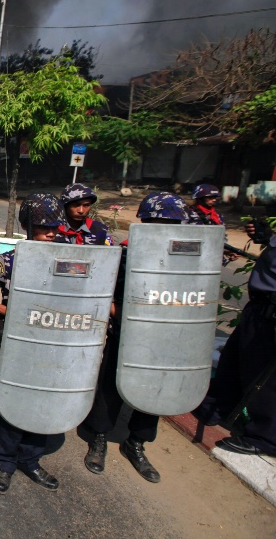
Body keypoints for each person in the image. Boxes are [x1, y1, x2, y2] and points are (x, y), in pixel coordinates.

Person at [81, 192, 192, 484]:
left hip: (165, 335)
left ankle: (137, 442)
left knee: (154, 386)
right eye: (157, 221)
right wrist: (125, 316)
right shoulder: (127, 254)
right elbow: (107, 293)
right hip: (128, 330)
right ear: (143, 222)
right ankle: (99, 437)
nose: (165, 227)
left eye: (172, 222)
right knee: (111, 385)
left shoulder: (185, 256)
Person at [0, 193, 66, 494]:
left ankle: (31, 461)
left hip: (54, 345)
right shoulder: (8, 260)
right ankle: (4, 463)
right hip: (17, 344)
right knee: (15, 403)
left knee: (42, 403)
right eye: (43, 226)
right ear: (28, 225)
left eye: (54, 227)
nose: (50, 232)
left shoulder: (66, 259)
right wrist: (10, 312)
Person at [193, 220, 276, 457]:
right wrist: (267, 237)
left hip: (275, 312)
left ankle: (266, 438)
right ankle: (216, 408)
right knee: (235, 360)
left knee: (268, 378)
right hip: (261, 308)